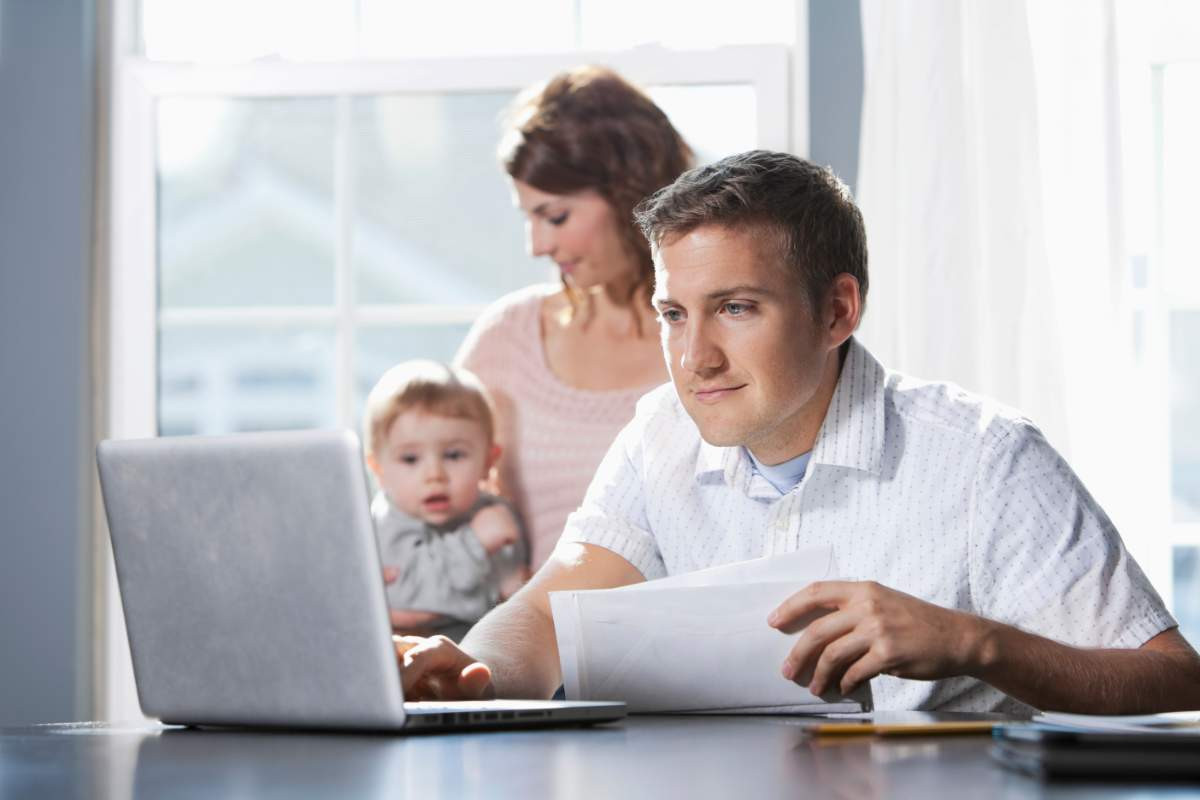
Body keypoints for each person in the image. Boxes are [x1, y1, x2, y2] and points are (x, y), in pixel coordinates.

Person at [398, 150, 1200, 713]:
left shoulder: (985, 457)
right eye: (675, 315)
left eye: (736, 308)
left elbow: (1174, 681)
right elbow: (542, 616)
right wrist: (469, 671)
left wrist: (974, 643)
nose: (694, 357)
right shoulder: (658, 434)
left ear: (837, 311)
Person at [454, 66, 693, 571]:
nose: (538, 245)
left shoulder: (707, 345)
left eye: (555, 216)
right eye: (529, 217)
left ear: (631, 195)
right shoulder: (506, 342)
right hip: (519, 643)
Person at [363, 360, 526, 641]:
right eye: (410, 459)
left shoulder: (492, 512)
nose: (434, 475)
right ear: (379, 470)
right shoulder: (383, 523)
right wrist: (474, 543)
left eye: (454, 455)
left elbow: (511, 586)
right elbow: (413, 597)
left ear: (488, 461)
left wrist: (515, 589)